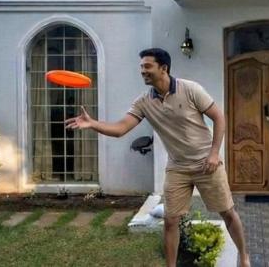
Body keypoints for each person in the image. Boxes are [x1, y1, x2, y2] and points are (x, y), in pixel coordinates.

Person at [66, 48, 251, 267]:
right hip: (178, 167)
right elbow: (120, 129)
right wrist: (93, 123)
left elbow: (219, 118)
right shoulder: (143, 102)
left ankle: (244, 256)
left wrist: (213, 153)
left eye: (147, 66)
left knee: (227, 212)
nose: (142, 71)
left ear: (163, 68)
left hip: (206, 164)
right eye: (141, 67)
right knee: (170, 221)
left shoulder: (190, 89)